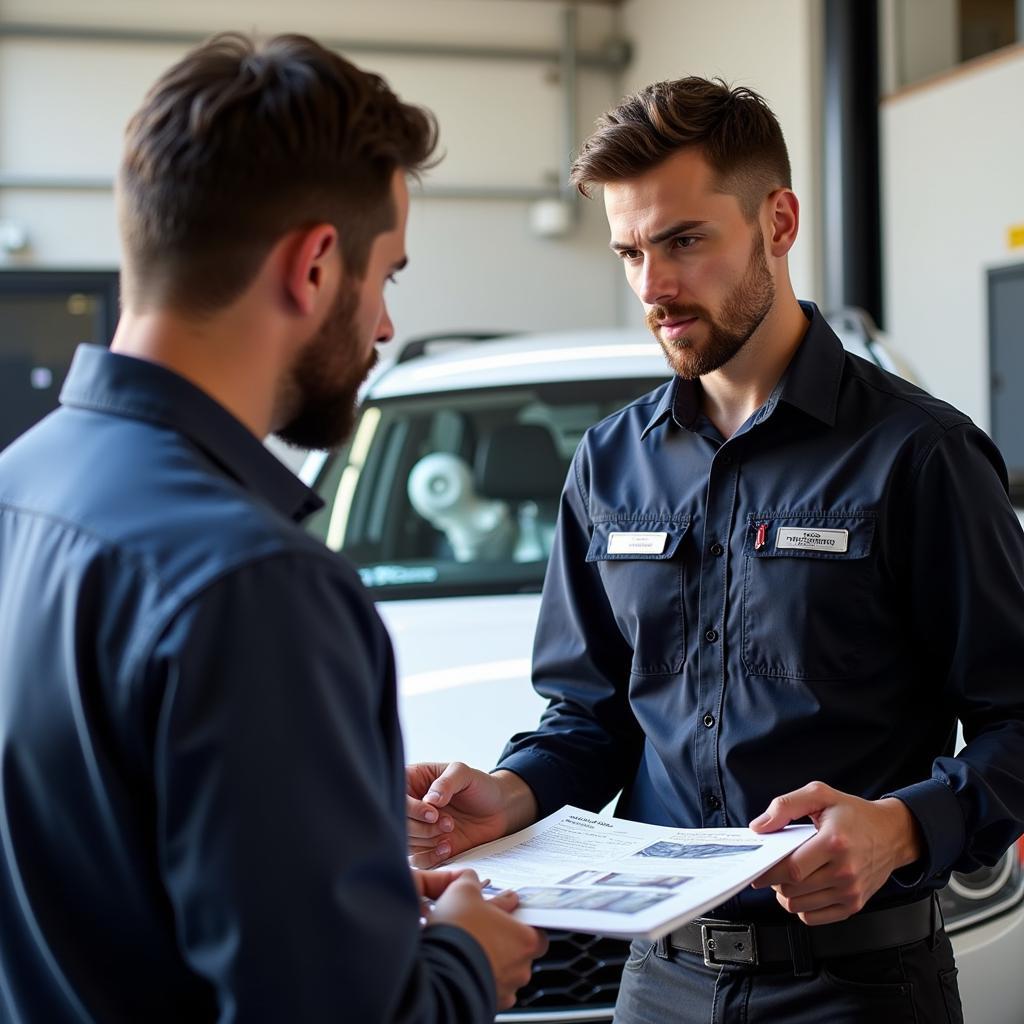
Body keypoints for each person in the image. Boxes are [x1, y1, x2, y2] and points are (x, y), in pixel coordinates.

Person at [406, 76, 1024, 1021]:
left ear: (778, 221)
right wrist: (510, 792)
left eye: (684, 241)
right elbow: (589, 715)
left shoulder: (918, 456)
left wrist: (901, 830)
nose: (653, 286)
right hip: (659, 986)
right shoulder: (612, 463)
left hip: (859, 990)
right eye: (630, 251)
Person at [0, 32, 546, 1023]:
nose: (383, 326)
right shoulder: (254, 581)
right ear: (314, 264)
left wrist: (353, 891)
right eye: (387, 277)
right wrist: (466, 959)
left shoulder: (15, 491)